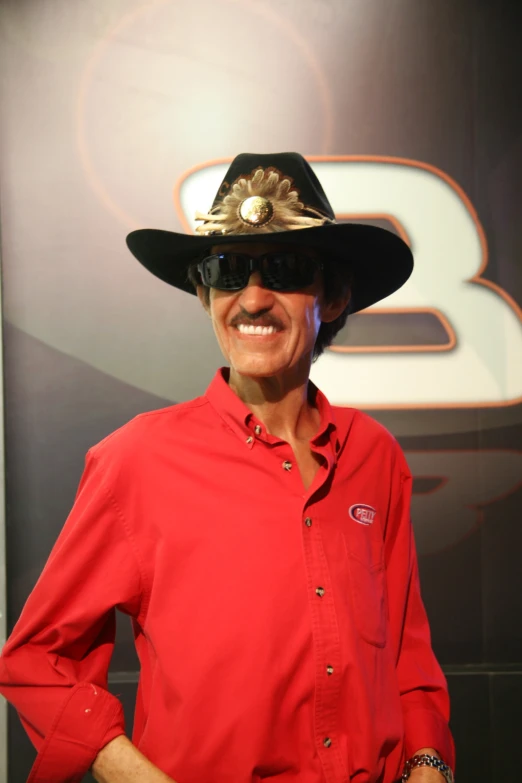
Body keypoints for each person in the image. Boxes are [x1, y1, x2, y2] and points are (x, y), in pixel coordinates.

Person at [0, 152, 455, 783]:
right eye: (227, 270)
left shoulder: (374, 455)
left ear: (335, 293)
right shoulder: (136, 461)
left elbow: (407, 654)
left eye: (286, 270)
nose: (253, 299)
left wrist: (428, 761)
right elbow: (35, 657)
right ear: (203, 292)